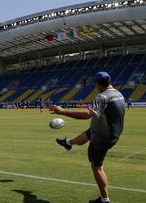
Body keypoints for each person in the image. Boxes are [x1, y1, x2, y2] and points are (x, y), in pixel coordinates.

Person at [50, 71, 125, 203]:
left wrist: (63, 111)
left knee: (97, 167)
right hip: (113, 130)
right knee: (89, 133)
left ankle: (104, 200)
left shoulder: (102, 97)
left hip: (104, 137)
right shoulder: (118, 93)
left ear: (97, 84)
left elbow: (86, 114)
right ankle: (68, 143)